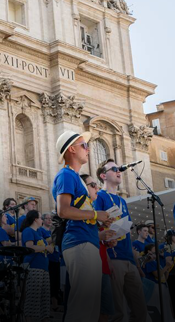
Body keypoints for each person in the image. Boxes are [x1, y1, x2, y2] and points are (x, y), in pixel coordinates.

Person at [51, 131, 109, 322]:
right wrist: (95, 214)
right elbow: (63, 211)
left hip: (87, 242)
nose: (89, 149)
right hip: (79, 243)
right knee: (82, 307)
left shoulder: (74, 178)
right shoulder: (66, 175)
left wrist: (99, 221)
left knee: (90, 309)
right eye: (84, 145)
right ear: (72, 149)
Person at [94, 160, 147, 322]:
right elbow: (96, 226)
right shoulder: (100, 197)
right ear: (103, 176)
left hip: (129, 260)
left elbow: (127, 232)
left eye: (120, 169)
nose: (119, 171)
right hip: (113, 258)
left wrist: (137, 264)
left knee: (140, 310)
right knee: (117, 311)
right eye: (115, 169)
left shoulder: (122, 201)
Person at [82, 173, 119, 322]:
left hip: (103, 264)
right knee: (90, 310)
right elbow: (82, 236)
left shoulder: (93, 212)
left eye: (96, 184)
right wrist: (101, 237)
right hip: (90, 265)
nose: (97, 187)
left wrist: (107, 240)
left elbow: (98, 238)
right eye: (92, 185)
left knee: (106, 310)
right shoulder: (81, 211)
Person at [20, 209, 52, 322]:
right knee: (33, 297)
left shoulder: (39, 233)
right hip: (34, 267)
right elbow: (30, 247)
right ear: (35, 219)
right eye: (40, 218)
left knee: (44, 297)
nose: (41, 220)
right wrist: (45, 247)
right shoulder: (28, 231)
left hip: (43, 268)